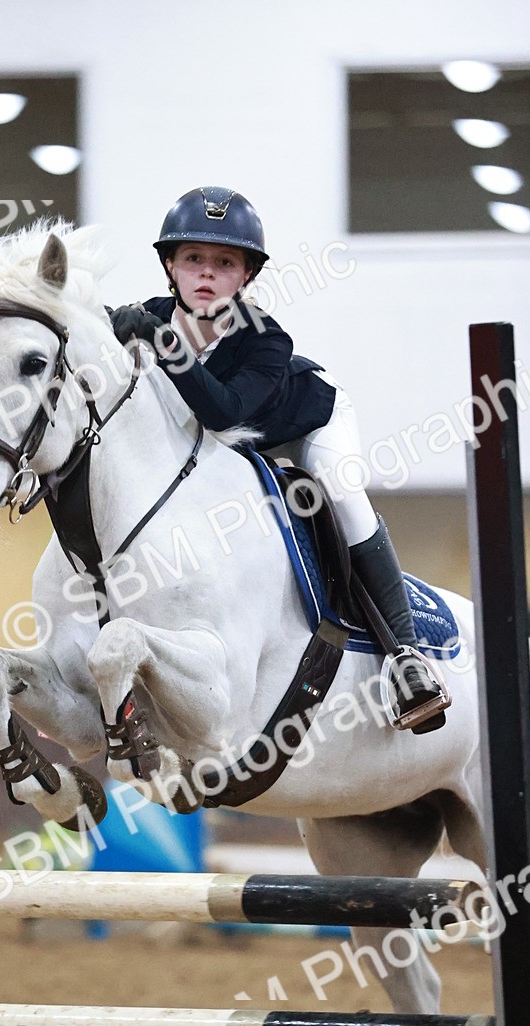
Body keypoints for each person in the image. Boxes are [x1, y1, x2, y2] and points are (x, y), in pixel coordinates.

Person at [109, 186, 449, 734]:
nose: (206, 273)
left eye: (224, 263)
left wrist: (165, 345)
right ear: (169, 265)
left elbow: (224, 415)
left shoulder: (265, 337)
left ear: (245, 277)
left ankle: (406, 657)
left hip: (307, 426)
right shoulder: (145, 317)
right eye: (193, 258)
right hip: (234, 442)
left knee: (343, 494)